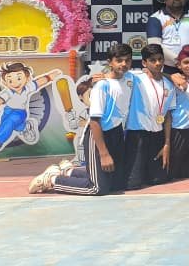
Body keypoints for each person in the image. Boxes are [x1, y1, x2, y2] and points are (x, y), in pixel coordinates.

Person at [37, 44, 133, 195]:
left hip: (116, 133)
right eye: (119, 60)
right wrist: (104, 153)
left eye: (127, 60)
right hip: (98, 135)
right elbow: (94, 121)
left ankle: (69, 171)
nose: (124, 64)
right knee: (97, 188)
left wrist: (170, 76)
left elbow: (152, 73)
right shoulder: (101, 86)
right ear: (110, 62)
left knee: (117, 185)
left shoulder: (130, 78)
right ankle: (52, 179)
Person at [0, 63, 62, 162]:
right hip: (7, 111)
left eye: (19, 78)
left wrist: (50, 76)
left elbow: (39, 82)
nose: (15, 83)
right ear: (5, 82)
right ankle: (25, 127)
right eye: (10, 80)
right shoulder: (7, 92)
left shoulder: (28, 87)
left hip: (20, 113)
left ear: (27, 78)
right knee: (9, 125)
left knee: (8, 124)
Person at [124, 44, 176, 190]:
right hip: (137, 135)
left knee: (159, 180)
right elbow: (117, 73)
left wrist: (167, 144)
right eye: (153, 60)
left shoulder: (169, 85)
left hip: (158, 136)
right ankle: (70, 170)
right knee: (133, 183)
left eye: (160, 59)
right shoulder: (135, 78)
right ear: (144, 63)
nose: (158, 63)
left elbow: (168, 116)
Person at [168, 46, 189, 179]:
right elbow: (160, 75)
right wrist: (171, 76)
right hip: (179, 128)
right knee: (175, 166)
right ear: (179, 65)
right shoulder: (176, 80)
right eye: (186, 62)